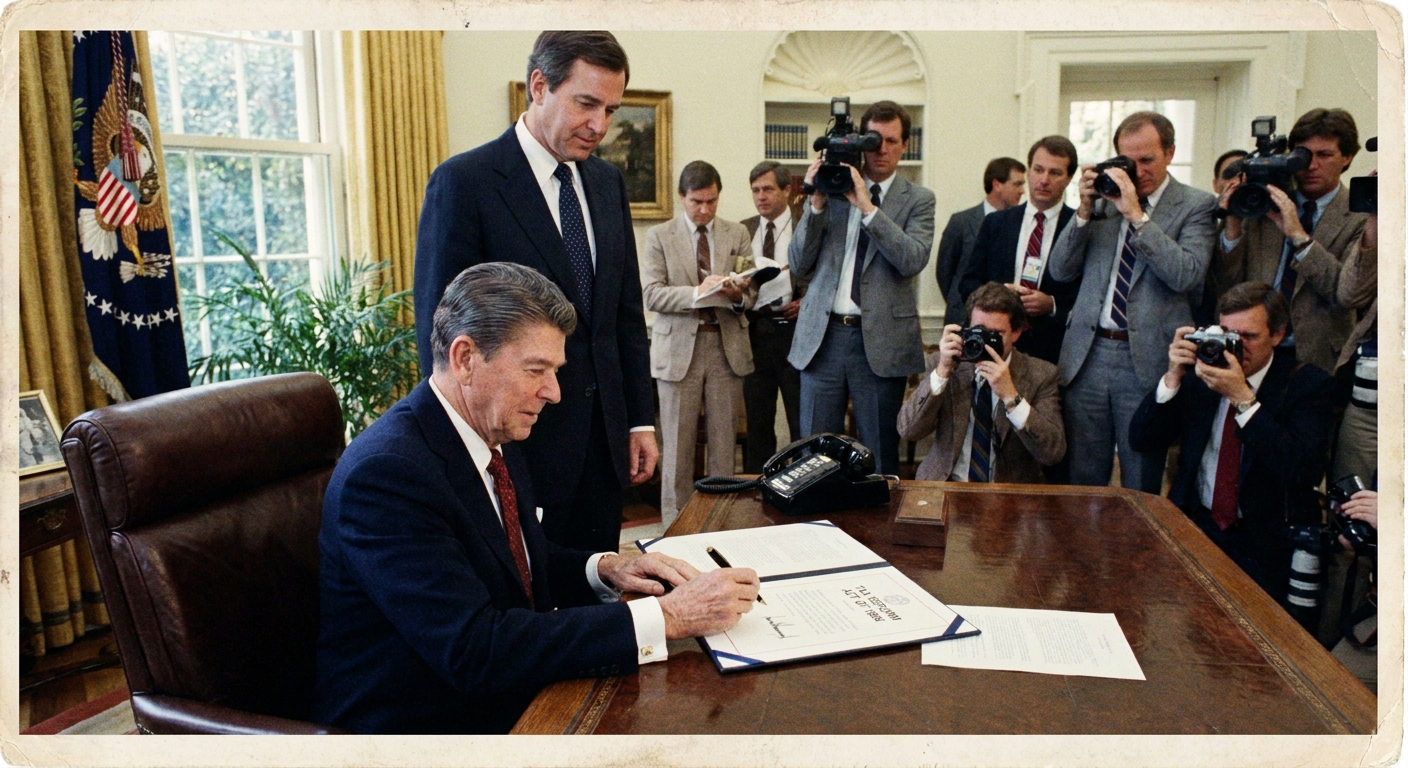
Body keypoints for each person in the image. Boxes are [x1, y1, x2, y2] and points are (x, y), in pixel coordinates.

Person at [314, 263, 760, 734]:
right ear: (465, 358)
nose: (554, 393)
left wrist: (607, 568)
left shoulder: (492, 429)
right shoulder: (388, 474)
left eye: (555, 371)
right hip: (423, 728)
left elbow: (512, 563)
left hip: (506, 694)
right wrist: (666, 616)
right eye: (536, 370)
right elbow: (474, 650)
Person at [413, 31, 657, 554]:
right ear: (539, 86)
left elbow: (622, 316)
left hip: (604, 443)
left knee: (601, 586)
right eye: (586, 104)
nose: (600, 126)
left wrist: (638, 419)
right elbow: (440, 337)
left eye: (612, 110)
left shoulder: (608, 183)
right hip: (518, 444)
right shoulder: (466, 182)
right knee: (528, 605)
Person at [1128, 282, 1334, 600]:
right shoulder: (1202, 373)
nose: (1234, 348)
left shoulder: (1307, 385)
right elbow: (1142, 439)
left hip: (1264, 540)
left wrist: (1243, 399)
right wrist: (1172, 378)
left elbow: (1301, 470)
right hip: (1198, 524)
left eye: (1248, 337)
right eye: (1226, 334)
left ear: (1278, 335)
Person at [1046, 110, 1218, 492]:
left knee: (1141, 473)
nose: (1137, 171)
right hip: (1087, 356)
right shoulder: (1103, 201)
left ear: (1170, 153)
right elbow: (1060, 270)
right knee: (1083, 475)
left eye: (1148, 160)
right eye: (1129, 160)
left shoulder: (1196, 206)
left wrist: (1138, 217)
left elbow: (1187, 274)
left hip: (1147, 360)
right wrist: (1084, 212)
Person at [788, 100, 936, 475]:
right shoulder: (830, 188)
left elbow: (912, 259)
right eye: (873, 140)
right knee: (813, 455)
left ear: (905, 145)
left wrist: (868, 207)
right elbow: (798, 264)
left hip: (881, 343)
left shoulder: (918, 199)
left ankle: (876, 534)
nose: (882, 149)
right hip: (823, 338)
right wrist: (816, 204)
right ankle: (815, 529)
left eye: (891, 140)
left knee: (879, 453)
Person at [641, 161, 756, 530]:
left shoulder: (736, 233)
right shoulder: (660, 236)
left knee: (724, 447)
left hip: (726, 349)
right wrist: (697, 292)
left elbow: (751, 294)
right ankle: (674, 529)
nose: (704, 209)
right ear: (681, 197)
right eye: (696, 202)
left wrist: (739, 294)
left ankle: (722, 524)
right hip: (678, 352)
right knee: (676, 449)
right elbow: (651, 294)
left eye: (711, 201)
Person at [1211, 108, 1368, 374]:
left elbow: (1346, 293)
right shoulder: (1264, 203)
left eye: (1325, 155)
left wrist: (1299, 237)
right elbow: (1227, 283)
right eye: (1302, 155)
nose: (1311, 165)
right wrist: (1233, 226)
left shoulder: (1360, 217)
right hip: (1253, 351)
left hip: (1318, 356)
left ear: (1347, 157)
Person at [897, 282, 1065, 483]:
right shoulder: (947, 364)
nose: (985, 342)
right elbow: (908, 430)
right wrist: (942, 373)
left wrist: (1012, 397)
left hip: (1009, 493)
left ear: (1016, 332)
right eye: (979, 331)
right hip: (947, 483)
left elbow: (1053, 453)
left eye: (996, 334)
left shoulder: (1041, 374)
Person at [954, 136, 1080, 365]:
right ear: (1029, 170)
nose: (1043, 180)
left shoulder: (1078, 227)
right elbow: (967, 283)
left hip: (1053, 349)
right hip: (995, 345)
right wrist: (998, 297)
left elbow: (1088, 295)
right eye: (1038, 169)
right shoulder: (996, 223)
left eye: (1054, 173)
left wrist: (1051, 304)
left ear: (1069, 178)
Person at [740, 161, 806, 471]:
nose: (761, 196)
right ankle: (757, 490)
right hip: (755, 332)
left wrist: (806, 301)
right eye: (755, 190)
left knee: (799, 420)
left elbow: (827, 274)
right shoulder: (744, 229)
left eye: (768, 189)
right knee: (758, 422)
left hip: (796, 333)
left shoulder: (806, 224)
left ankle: (800, 486)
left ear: (788, 190)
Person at [938, 157, 1026, 324]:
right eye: (1017, 184)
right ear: (997, 185)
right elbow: (945, 271)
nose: (1022, 191)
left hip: (1005, 321)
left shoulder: (1023, 224)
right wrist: (962, 302)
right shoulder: (961, 222)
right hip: (963, 317)